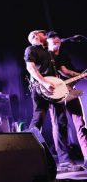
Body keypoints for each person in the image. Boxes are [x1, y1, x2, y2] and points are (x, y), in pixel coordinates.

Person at [24, 30, 83, 172]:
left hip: (56, 89)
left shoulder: (49, 53)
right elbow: (30, 68)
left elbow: (63, 70)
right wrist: (44, 82)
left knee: (62, 122)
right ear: (35, 36)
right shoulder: (31, 49)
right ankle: (27, 155)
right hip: (40, 88)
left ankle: (64, 161)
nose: (46, 36)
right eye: (43, 34)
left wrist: (80, 75)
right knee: (38, 120)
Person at [46, 31, 87, 168]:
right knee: (60, 124)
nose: (56, 44)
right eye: (53, 42)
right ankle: (64, 160)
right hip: (56, 93)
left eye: (58, 41)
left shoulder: (63, 55)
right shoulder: (46, 56)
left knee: (80, 123)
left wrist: (80, 75)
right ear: (47, 43)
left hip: (70, 90)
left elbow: (65, 71)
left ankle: (86, 155)